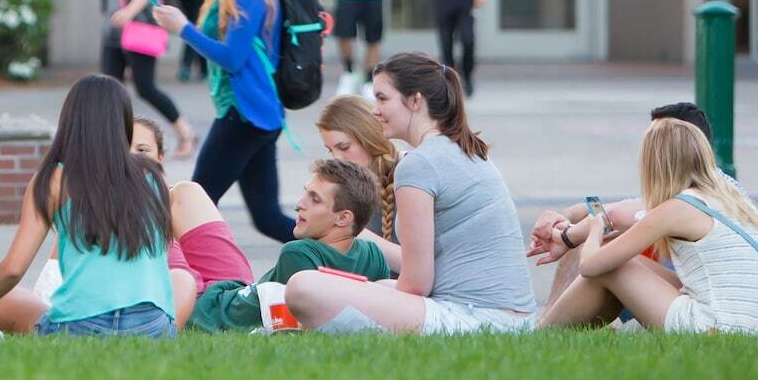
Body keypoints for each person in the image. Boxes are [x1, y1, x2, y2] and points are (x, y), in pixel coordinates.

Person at [284, 52, 536, 335]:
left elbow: (415, 285)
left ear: (415, 101)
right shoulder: (466, 149)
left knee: (302, 287)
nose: (375, 110)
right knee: (374, 288)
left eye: (382, 98)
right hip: (509, 316)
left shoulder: (418, 164)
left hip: (476, 318)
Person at [0, 74, 177, 338]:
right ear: (124, 124)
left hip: (82, 325)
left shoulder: (55, 179)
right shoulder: (152, 175)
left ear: (70, 122)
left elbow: (14, 267)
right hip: (154, 326)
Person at [536, 118, 758, 335]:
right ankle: (564, 332)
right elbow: (627, 217)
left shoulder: (677, 208)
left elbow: (590, 266)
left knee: (609, 266)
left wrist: (593, 227)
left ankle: (543, 333)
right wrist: (571, 235)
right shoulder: (732, 199)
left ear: (654, 164)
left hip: (715, 326)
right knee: (620, 257)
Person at [151, 0, 295, 245]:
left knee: (191, 205)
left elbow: (232, 57)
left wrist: (183, 28)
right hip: (254, 114)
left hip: (244, 114)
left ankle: (178, 281)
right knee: (267, 218)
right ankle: (347, 254)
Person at [526, 101, 737, 303]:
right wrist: (563, 218)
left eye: (656, 142)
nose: (647, 152)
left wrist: (566, 236)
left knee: (598, 250)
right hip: (695, 290)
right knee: (604, 240)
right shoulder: (711, 185)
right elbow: (612, 211)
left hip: (706, 303)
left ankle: (546, 327)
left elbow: (613, 218)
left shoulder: (696, 197)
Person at [183, 159, 392, 333]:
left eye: (315, 200)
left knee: (184, 194)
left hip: (206, 312)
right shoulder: (373, 255)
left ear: (343, 217)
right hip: (213, 305)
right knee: (186, 193)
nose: (299, 204)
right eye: (305, 194)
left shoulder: (299, 253)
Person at [98, 0, 198, 159]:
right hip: (114, 32)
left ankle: (185, 131)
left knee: (145, 87)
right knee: (109, 88)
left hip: (139, 28)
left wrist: (130, 12)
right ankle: (113, 143)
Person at [316, 94, 400, 240]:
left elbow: (416, 260)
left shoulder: (407, 176)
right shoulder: (347, 184)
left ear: (369, 138)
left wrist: (348, 230)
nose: (336, 158)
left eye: (344, 147)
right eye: (330, 150)